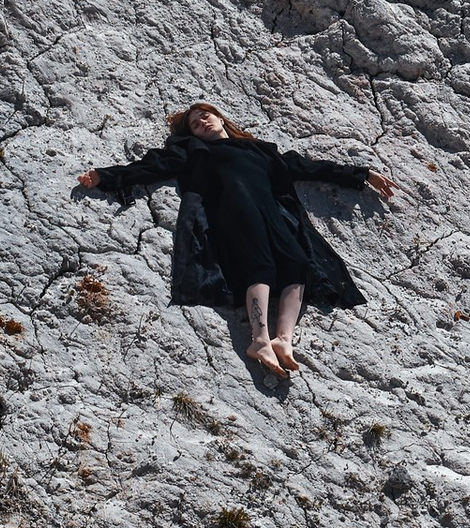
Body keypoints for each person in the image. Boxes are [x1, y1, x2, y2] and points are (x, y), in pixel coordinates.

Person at [78, 103, 393, 375]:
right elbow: (154, 166)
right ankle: (260, 339)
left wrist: (362, 175)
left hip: (272, 210)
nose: (202, 122)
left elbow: (308, 167)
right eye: (195, 124)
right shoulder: (195, 151)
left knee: (298, 264)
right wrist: (106, 176)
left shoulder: (261, 150)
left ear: (220, 118)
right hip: (232, 209)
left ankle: (283, 339)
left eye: (205, 116)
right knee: (260, 266)